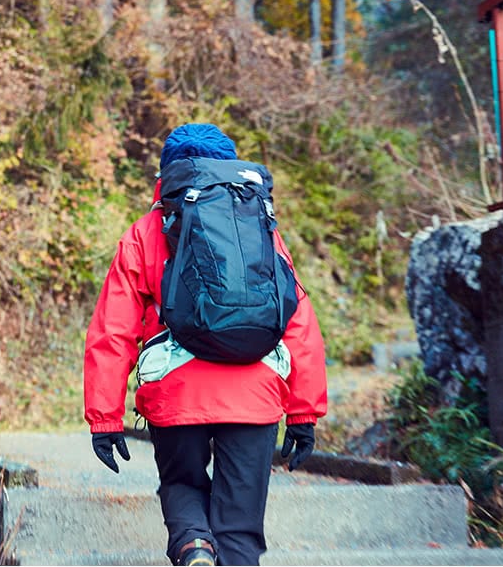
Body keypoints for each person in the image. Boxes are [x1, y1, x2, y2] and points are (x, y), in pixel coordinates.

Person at [83, 123, 328, 567]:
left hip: (176, 391)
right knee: (239, 524)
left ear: (166, 172)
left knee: (182, 485)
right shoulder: (260, 226)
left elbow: (113, 331)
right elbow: (298, 318)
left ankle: (194, 545)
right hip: (254, 391)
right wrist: (303, 412)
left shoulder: (145, 232)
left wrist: (105, 419)